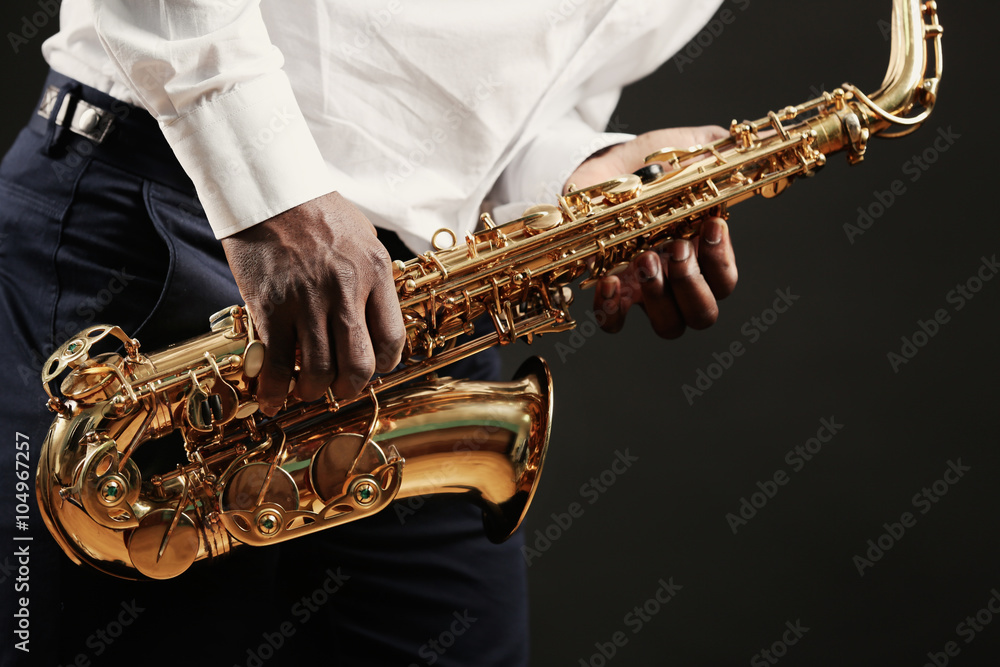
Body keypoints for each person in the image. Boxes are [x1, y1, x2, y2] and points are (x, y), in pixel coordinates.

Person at [0, 0, 737, 664]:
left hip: (416, 302)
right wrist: (275, 195)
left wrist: (576, 169)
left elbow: (487, 104)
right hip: (181, 214)